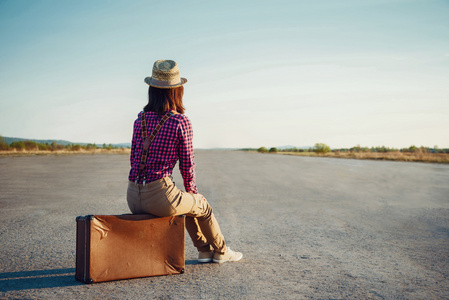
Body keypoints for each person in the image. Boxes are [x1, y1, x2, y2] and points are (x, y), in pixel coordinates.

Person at [127, 59, 243, 264]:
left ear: (152, 90)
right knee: (201, 205)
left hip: (133, 196)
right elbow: (187, 164)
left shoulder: (140, 120)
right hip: (159, 196)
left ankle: (205, 251)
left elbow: (133, 158)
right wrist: (193, 191)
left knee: (188, 204)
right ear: (177, 91)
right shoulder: (179, 121)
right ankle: (222, 251)